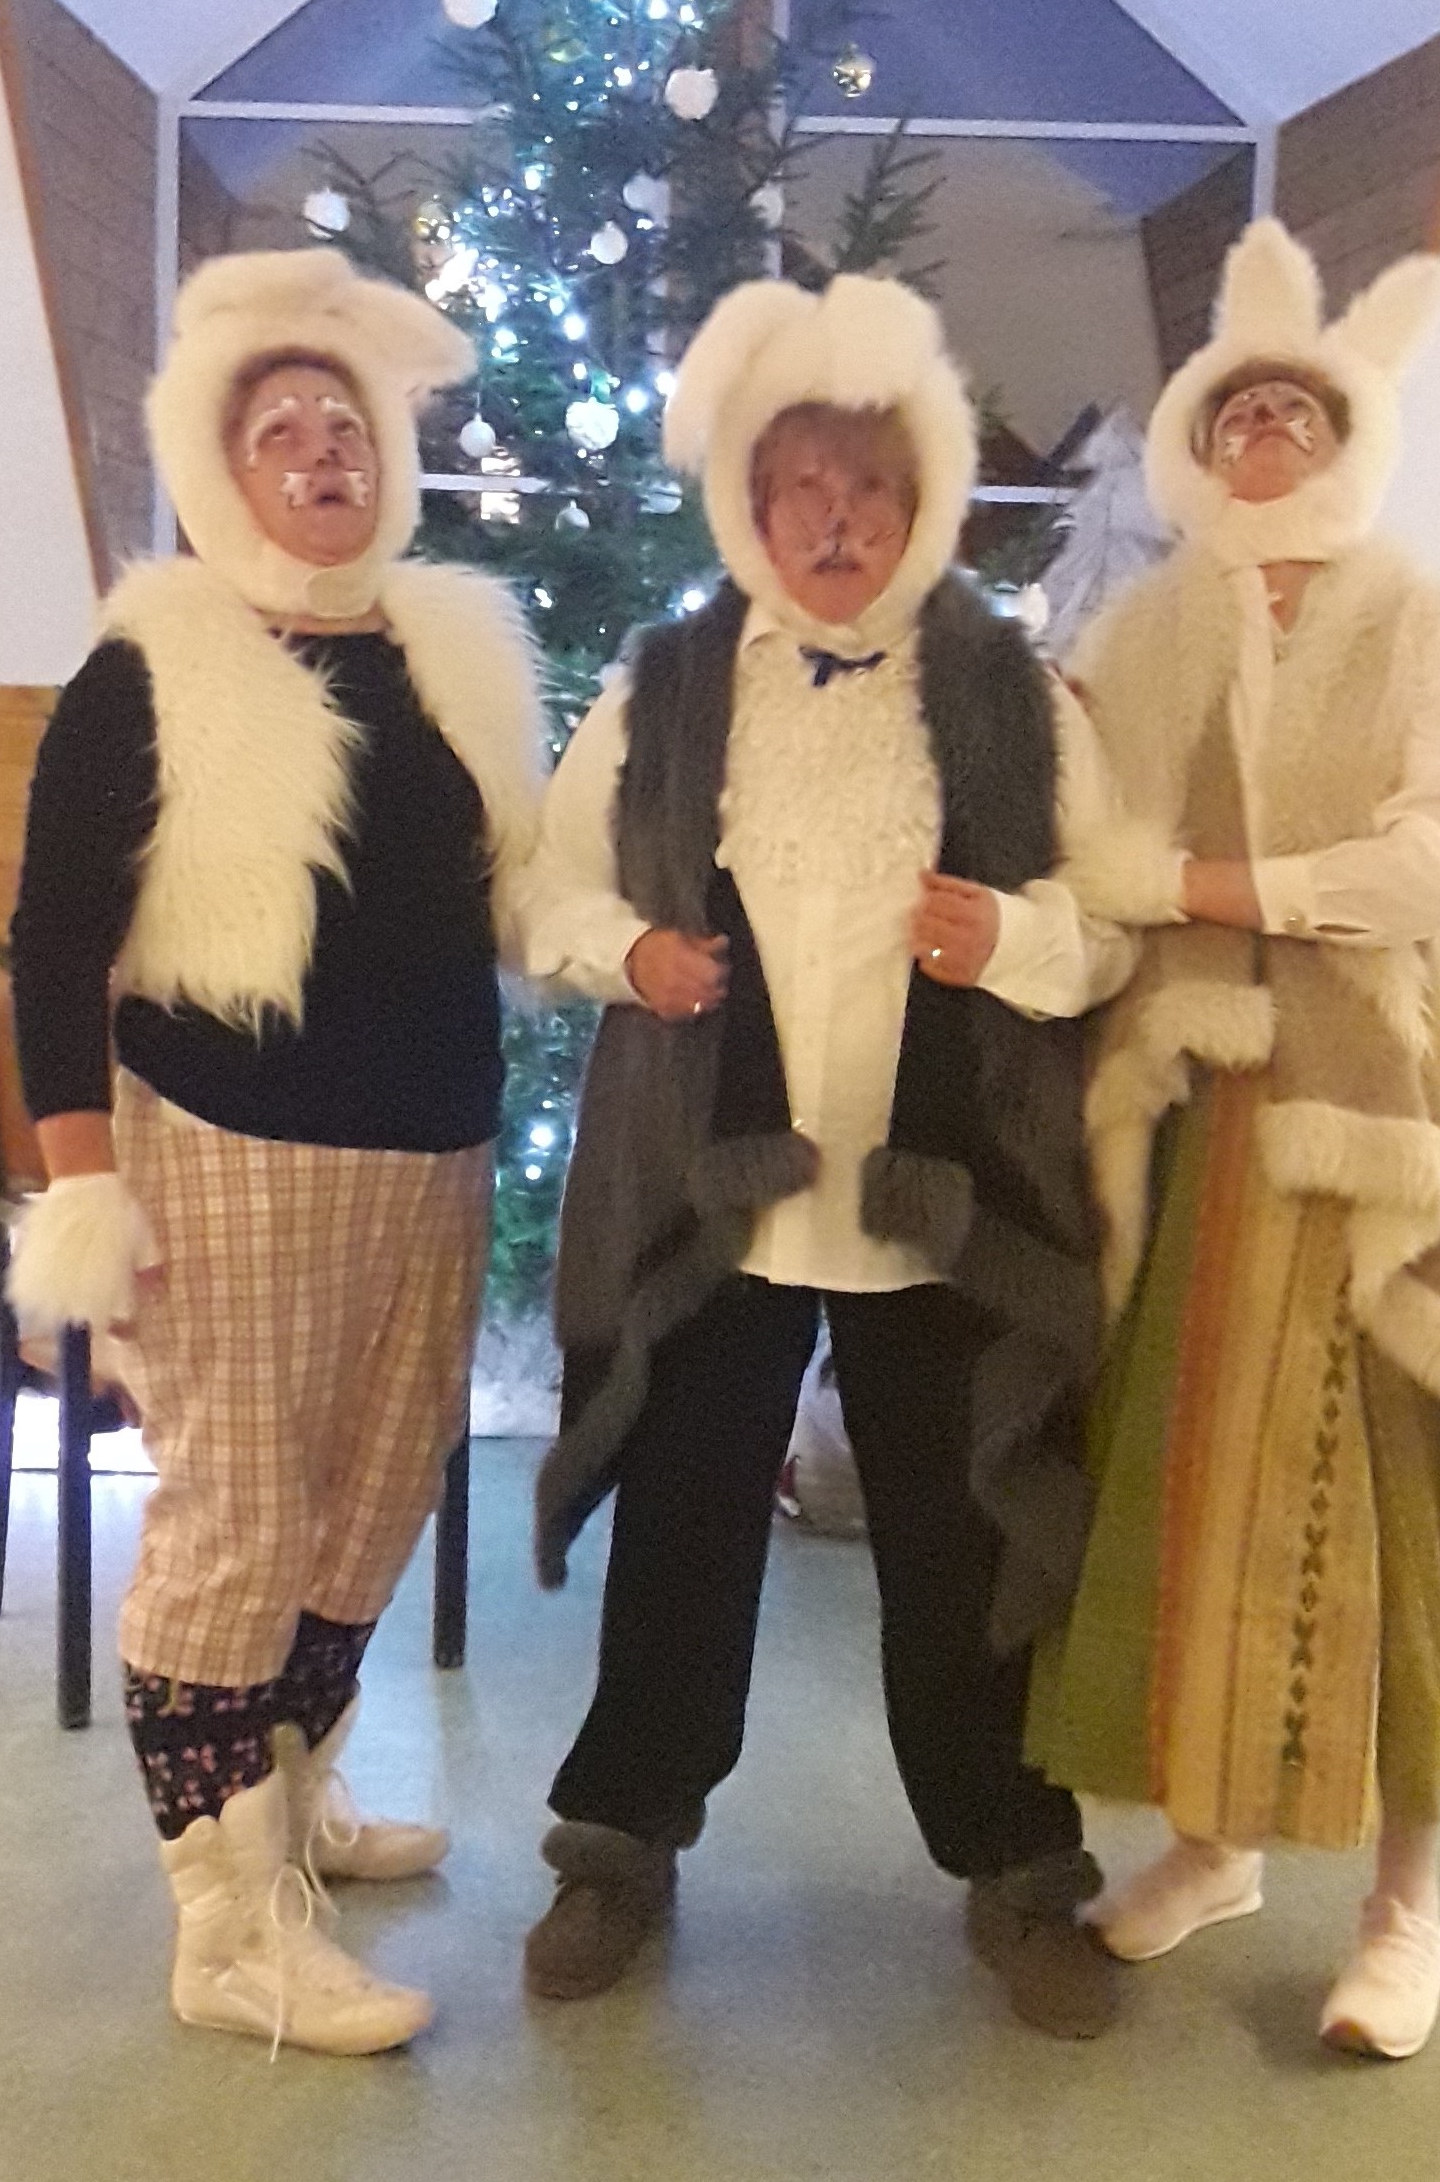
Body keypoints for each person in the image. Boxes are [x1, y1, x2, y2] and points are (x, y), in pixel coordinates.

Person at [1026, 219, 1440, 2061]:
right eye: (1237, 415)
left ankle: (1405, 1904)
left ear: (1351, 438)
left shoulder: (1435, 629)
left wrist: (1206, 886)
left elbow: (1427, 868)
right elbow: (1084, 850)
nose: (1265, 437)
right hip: (1206, 1134)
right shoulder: (1143, 639)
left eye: (1297, 413)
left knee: (1408, 1516)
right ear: (1196, 447)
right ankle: (1215, 1844)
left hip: (1400, 1132)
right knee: (1196, 1501)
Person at [520, 274, 1136, 2038]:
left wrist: (1011, 941)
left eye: (871, 485)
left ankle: (1017, 1863)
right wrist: (629, 954)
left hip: (943, 1209)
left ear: (924, 497)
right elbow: (552, 890)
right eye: (802, 485)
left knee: (961, 1539)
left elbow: (1110, 923)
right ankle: (620, 1843)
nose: (838, 519)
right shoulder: (665, 689)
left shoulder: (1014, 695)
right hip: (718, 1204)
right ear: (750, 501)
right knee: (685, 1528)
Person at [7, 249, 546, 2056]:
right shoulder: (150, 662)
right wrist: (84, 1175)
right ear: (216, 468)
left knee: (371, 1505)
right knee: (237, 1526)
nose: (324, 452)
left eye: (347, 425)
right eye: (282, 431)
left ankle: (292, 1797)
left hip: (434, 1151)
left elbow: (517, 883)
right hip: (230, 1146)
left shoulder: (451, 655)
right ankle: (227, 1931)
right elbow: (55, 941)